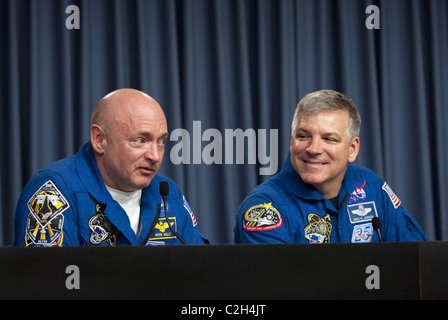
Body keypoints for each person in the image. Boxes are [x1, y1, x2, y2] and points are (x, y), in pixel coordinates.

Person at [14, 88, 208, 246]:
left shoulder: (167, 193)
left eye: (162, 141)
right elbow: (46, 283)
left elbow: (201, 274)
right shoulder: (54, 191)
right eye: (140, 140)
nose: (155, 156)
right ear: (100, 140)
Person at [234, 89, 427, 244]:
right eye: (303, 136)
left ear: (352, 149)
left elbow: (415, 260)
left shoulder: (371, 187)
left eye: (329, 139)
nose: (314, 148)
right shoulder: (264, 208)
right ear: (292, 142)